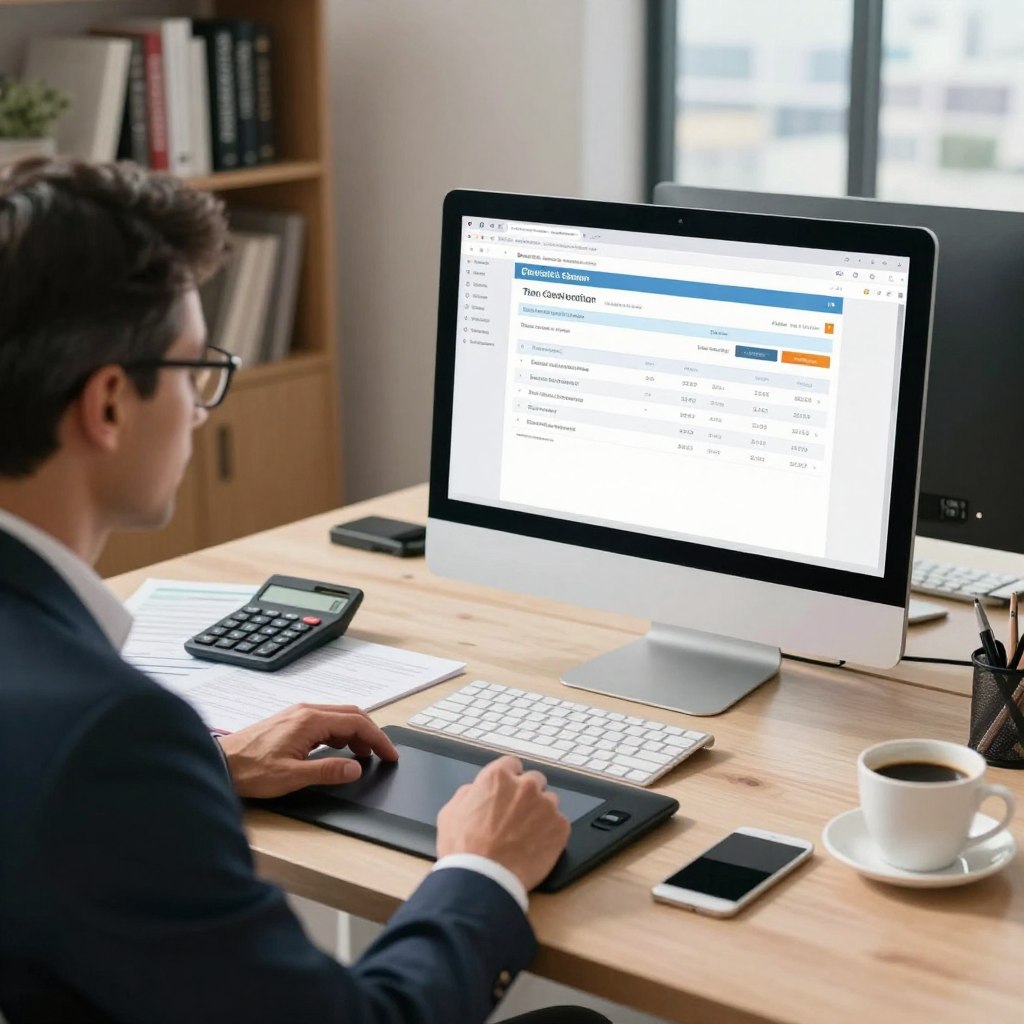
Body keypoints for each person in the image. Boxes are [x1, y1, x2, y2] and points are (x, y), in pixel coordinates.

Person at [0, 158, 611, 1024]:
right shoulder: (108, 735)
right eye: (194, 372)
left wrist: (208, 766)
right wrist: (482, 869)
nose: (203, 409)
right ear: (108, 405)